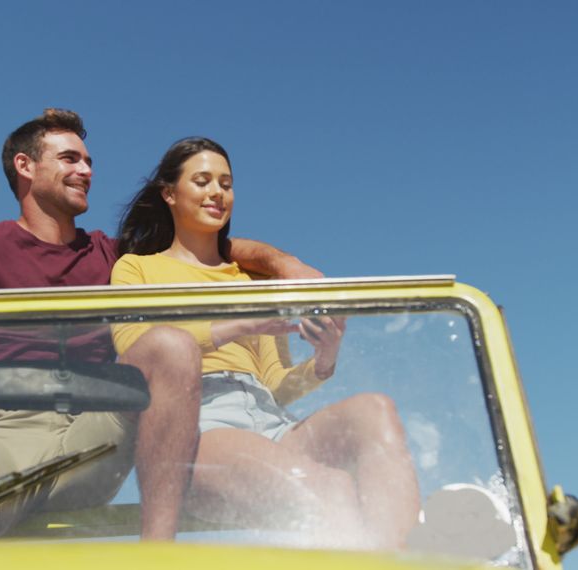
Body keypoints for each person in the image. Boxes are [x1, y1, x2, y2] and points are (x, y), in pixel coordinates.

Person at [0, 109, 320, 541]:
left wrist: (284, 263)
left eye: (89, 161)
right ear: (25, 166)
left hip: (97, 435)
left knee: (170, 346)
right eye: (70, 159)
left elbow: (209, 246)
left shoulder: (113, 257)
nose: (86, 170)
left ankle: (157, 555)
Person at [111, 137, 420, 550]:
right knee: (328, 488)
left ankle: (399, 552)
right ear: (169, 193)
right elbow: (132, 351)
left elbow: (273, 383)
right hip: (201, 426)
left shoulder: (251, 280)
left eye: (226, 183)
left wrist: (323, 360)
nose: (217, 192)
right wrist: (235, 326)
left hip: (269, 419)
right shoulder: (136, 268)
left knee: (375, 410)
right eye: (202, 181)